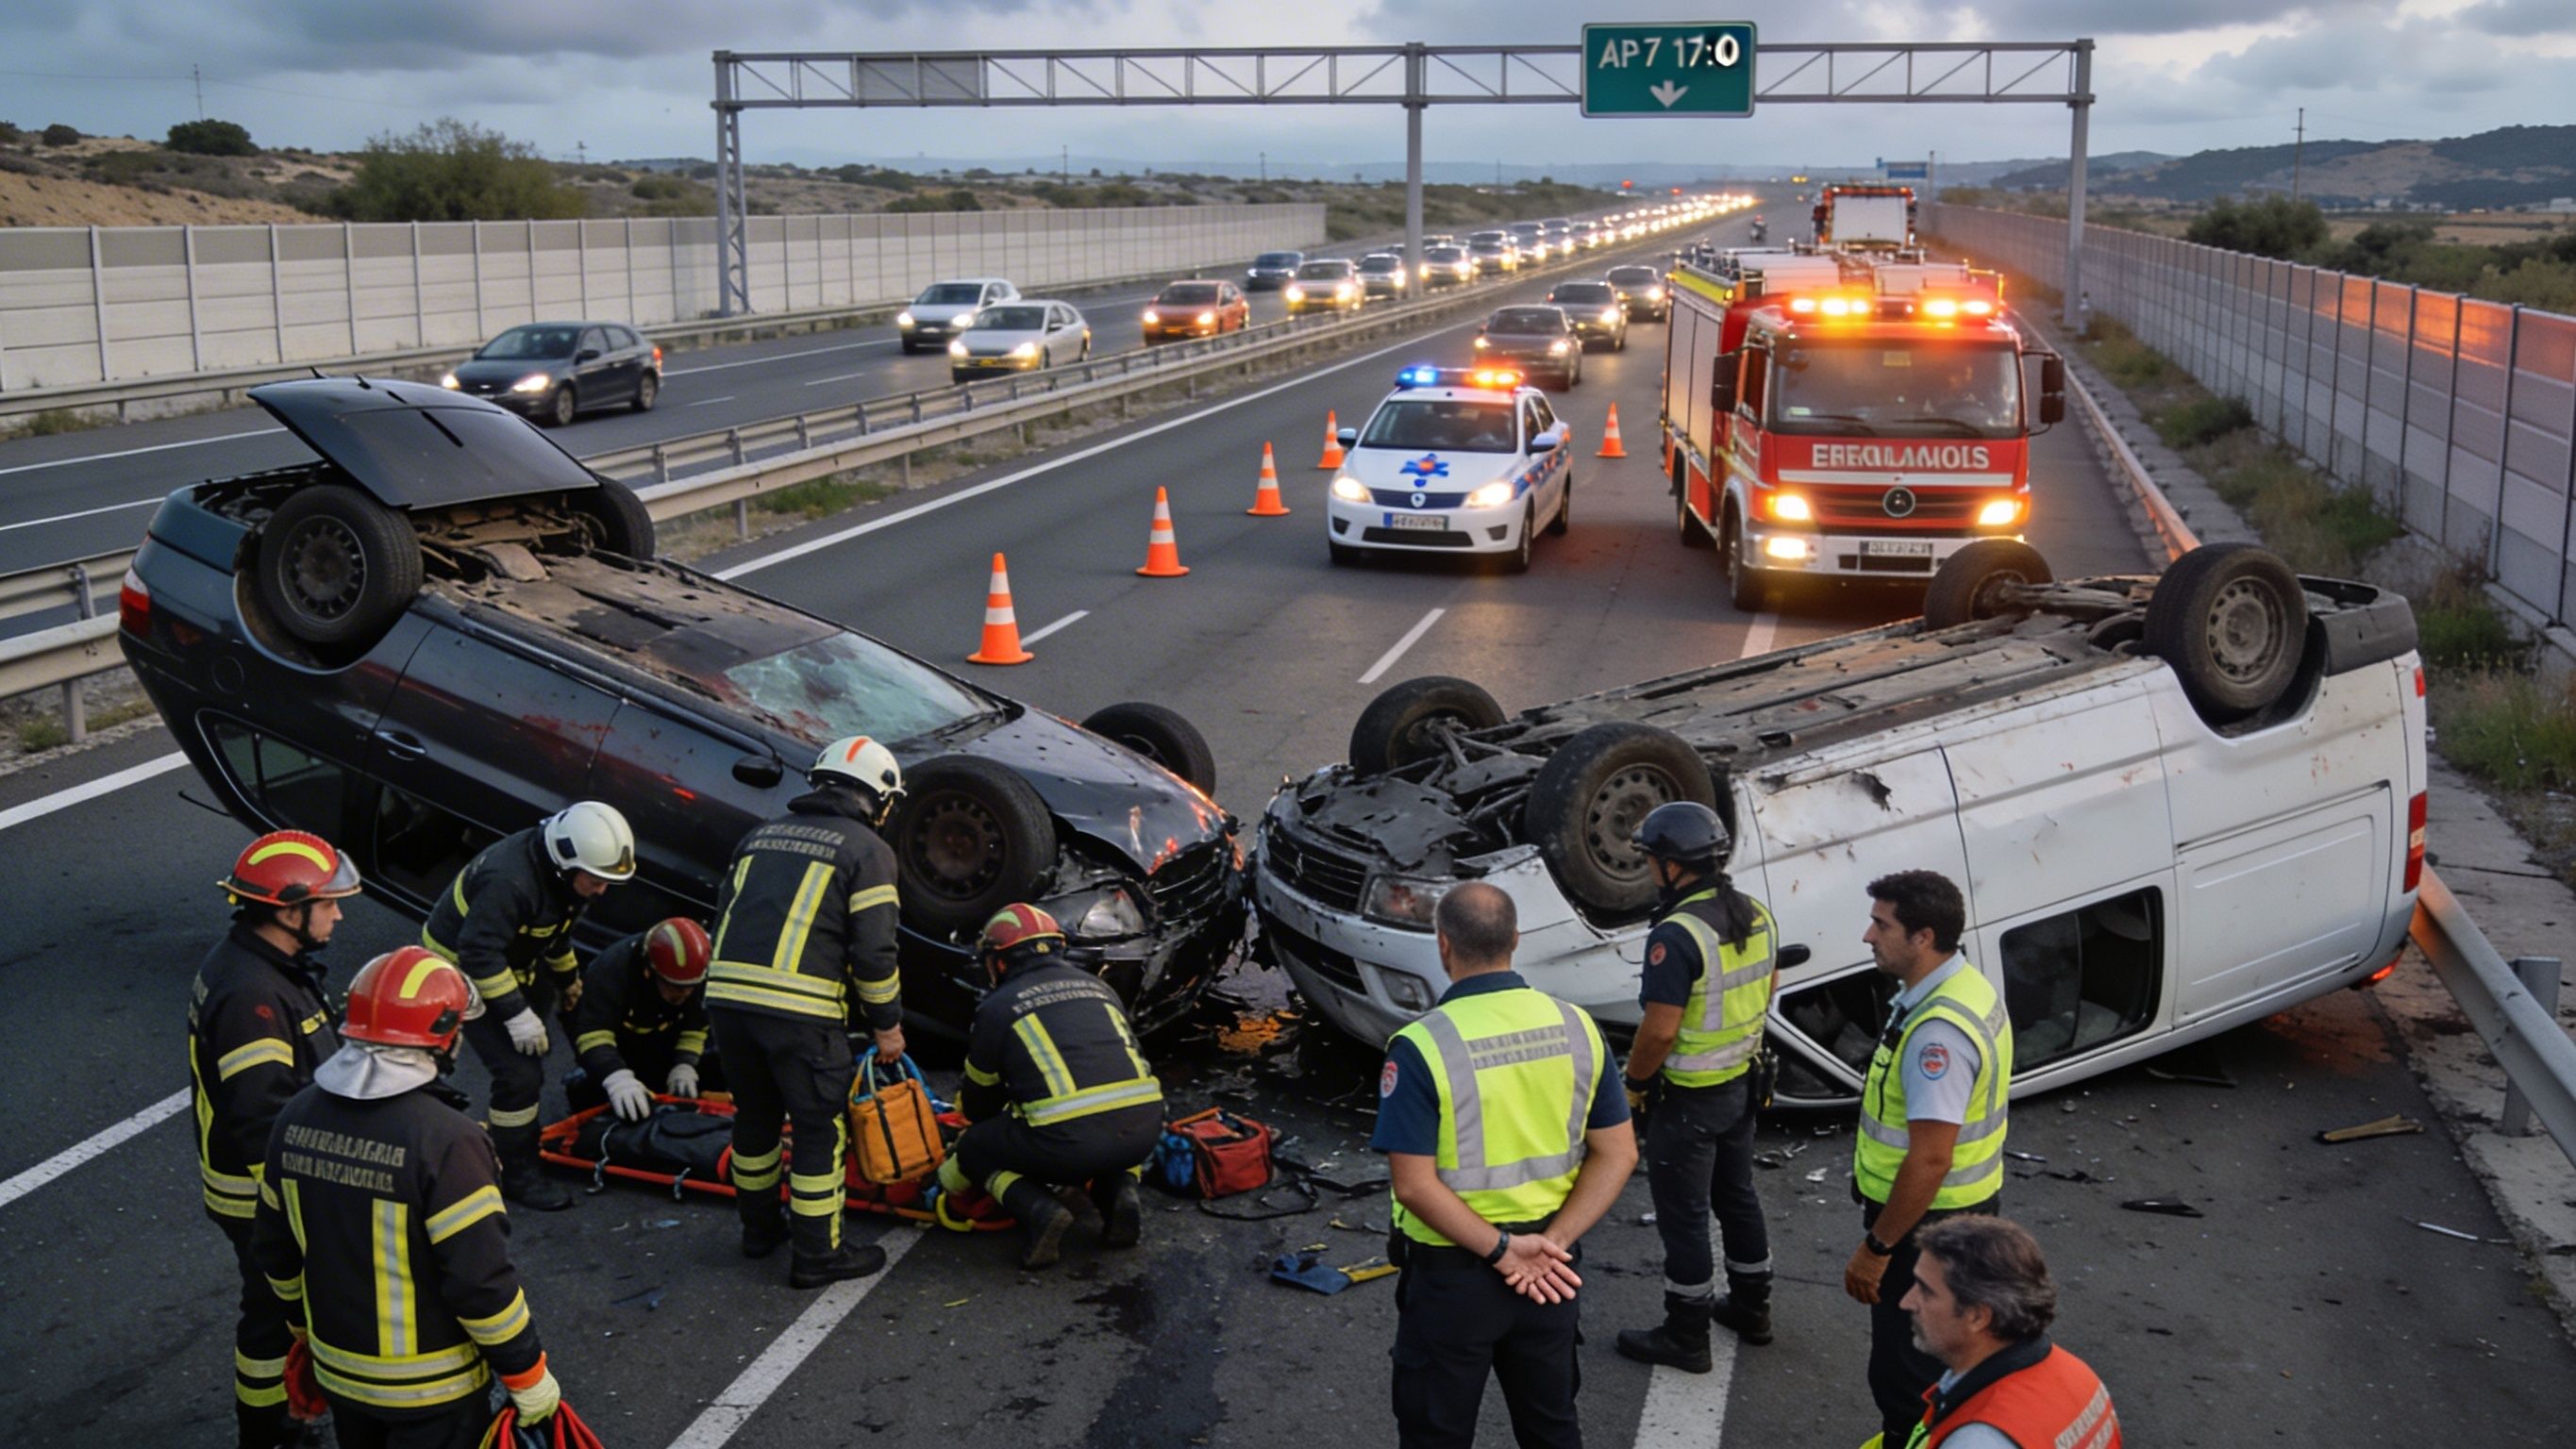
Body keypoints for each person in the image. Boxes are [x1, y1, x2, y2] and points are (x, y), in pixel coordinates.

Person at [254, 947, 564, 1449]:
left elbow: (275, 1250)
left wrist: (304, 1333)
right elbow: (480, 1283)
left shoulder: (295, 1117)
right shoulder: (448, 1140)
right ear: (444, 1037)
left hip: (340, 1377)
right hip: (433, 1395)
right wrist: (526, 1372)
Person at [1375, 883, 1638, 1449]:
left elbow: (1414, 1186)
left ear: (1443, 944)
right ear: (1515, 940)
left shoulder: (1422, 1046)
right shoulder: (1577, 1026)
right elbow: (1619, 1152)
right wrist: (1551, 1245)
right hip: (1550, 1271)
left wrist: (1502, 1251)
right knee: (1551, 1428)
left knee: (1435, 1434)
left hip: (1454, 1277)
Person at [706, 735, 908, 1289]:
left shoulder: (758, 837)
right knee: (819, 1129)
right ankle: (818, 1254)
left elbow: (723, 915)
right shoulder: (868, 850)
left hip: (727, 1003)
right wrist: (886, 1024)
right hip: (800, 1014)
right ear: (879, 798)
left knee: (755, 1119)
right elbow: (874, 952)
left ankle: (759, 1232)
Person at [191, 830, 363, 1449]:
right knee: (272, 1319)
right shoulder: (253, 996)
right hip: (260, 1193)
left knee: (278, 1312)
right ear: (289, 912)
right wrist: (301, 1205)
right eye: (328, 904)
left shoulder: (265, 965)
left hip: (263, 1187)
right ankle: (270, 1433)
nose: (338, 915)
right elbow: (263, 1119)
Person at [1848, 871, 2016, 1449]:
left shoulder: (1937, 1034)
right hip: (1963, 1211)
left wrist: (1876, 1249)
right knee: (1939, 1352)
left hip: (1925, 1225)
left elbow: (1929, 1160)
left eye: (1881, 924)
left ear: (1922, 937)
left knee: (1906, 1367)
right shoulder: (1966, 988)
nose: (1868, 936)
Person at [1614, 803, 1780, 1374]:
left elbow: (1660, 1030)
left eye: (1650, 859)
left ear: (1673, 866)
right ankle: (1753, 1309)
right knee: (1737, 1196)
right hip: (1742, 1084)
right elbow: (1767, 986)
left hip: (1689, 1098)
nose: (1648, 869)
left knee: (1684, 1217)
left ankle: (1686, 1335)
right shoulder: (1756, 912)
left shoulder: (1677, 934)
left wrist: (1634, 1086)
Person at [421, 800, 637, 1210]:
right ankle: (517, 1173)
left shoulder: (561, 876)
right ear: (566, 864)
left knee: (565, 1023)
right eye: (596, 880)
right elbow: (478, 953)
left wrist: (569, 981)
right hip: (456, 973)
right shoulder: (510, 881)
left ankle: (606, 1088)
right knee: (519, 1075)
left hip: (511, 960)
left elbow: (553, 930)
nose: (602, 891)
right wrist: (517, 1015)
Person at [930, 904, 1165, 1268]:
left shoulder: (997, 1007)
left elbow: (979, 1107)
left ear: (1000, 962)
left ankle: (1040, 1211)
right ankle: (1119, 1192)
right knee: (1105, 1133)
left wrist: (950, 1173)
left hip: (1068, 1146)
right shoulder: (1100, 988)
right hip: (1144, 1134)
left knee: (976, 1147)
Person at [1897, 1217, 2121, 1448]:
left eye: (1925, 1291)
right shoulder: (2076, 1374)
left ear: (1978, 1317)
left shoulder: (1977, 1440)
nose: (1906, 1302)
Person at [565, 917, 715, 1121]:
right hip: (618, 1038)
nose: (686, 993)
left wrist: (685, 1065)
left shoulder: (700, 973)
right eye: (677, 987)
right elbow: (592, 1033)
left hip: (663, 1036)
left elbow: (695, 1026)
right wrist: (616, 1077)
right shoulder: (612, 970)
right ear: (649, 971)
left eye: (692, 987)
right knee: (599, 1095)